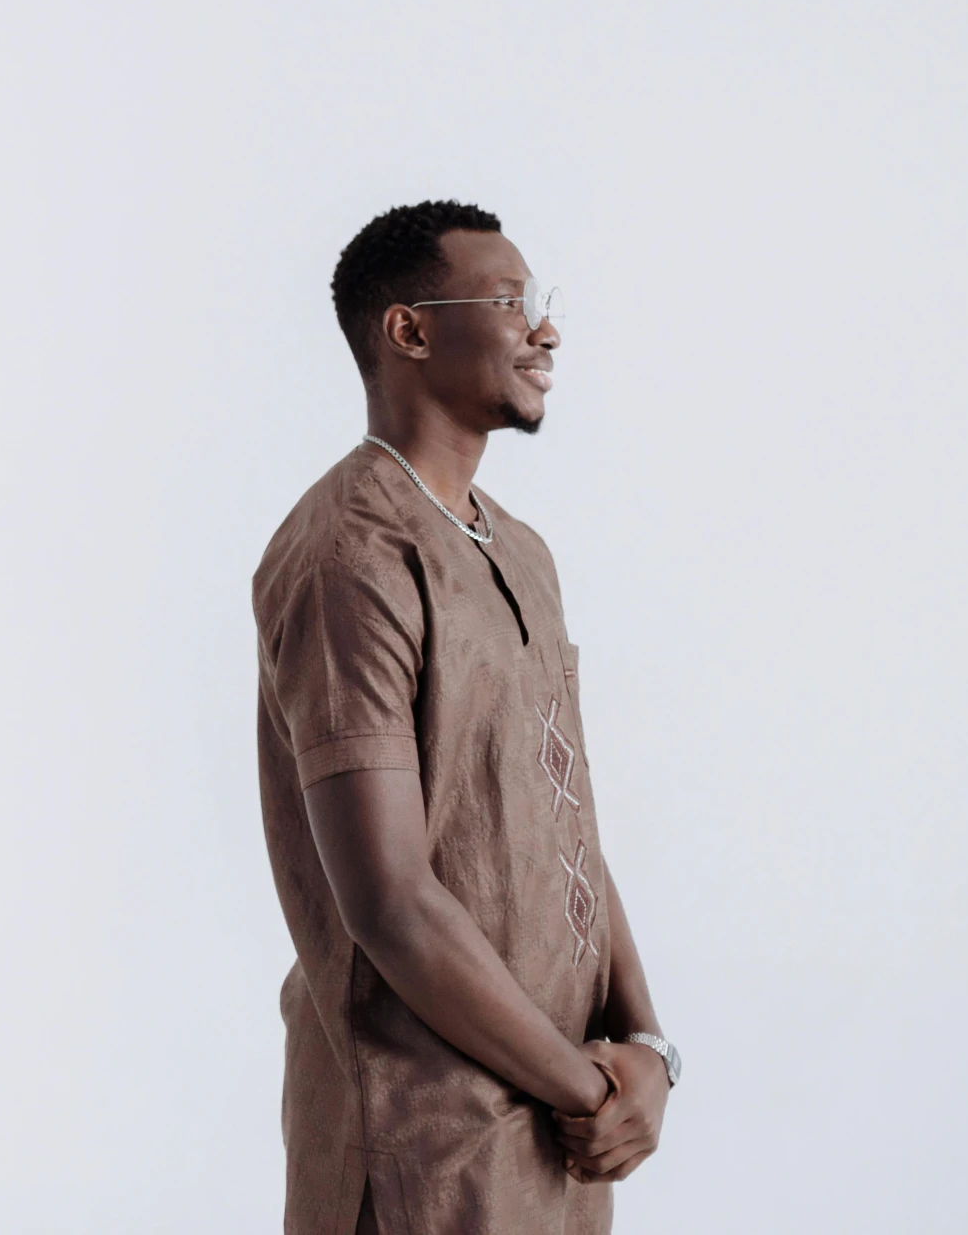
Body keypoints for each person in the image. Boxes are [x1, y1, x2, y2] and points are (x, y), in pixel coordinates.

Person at [253, 202, 676, 1234]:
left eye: (539, 305)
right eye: (507, 301)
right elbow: (389, 901)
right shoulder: (349, 555)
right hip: (425, 1151)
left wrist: (649, 1051)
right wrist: (589, 1091)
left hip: (560, 1146)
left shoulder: (517, 549)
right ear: (408, 330)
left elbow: (564, 819)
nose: (544, 330)